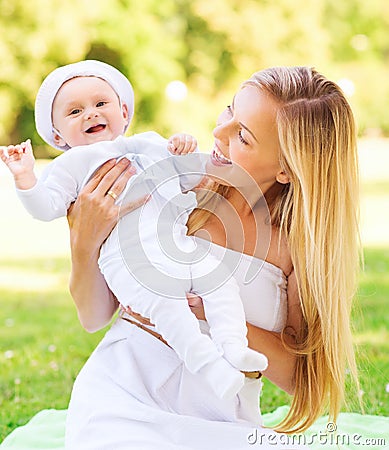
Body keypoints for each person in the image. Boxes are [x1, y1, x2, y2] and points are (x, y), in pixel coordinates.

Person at [62, 65, 361, 450]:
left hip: (223, 421)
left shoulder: (295, 247)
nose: (218, 133)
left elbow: (302, 379)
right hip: (121, 400)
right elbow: (93, 317)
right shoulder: (173, 187)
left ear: (287, 168)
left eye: (243, 136)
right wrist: (83, 243)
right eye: (229, 110)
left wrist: (213, 313)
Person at [0, 60, 267, 400]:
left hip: (177, 243)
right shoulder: (70, 166)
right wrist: (25, 177)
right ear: (57, 136)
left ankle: (233, 345)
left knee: (218, 277)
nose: (90, 114)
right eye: (74, 111)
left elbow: (190, 176)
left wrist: (182, 146)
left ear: (124, 112)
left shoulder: (149, 143)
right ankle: (207, 363)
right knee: (166, 303)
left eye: (100, 104)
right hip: (129, 261)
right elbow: (45, 207)